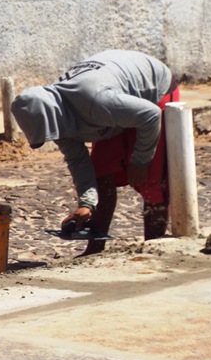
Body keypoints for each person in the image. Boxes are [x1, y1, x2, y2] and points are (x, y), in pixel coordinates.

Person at [11, 49, 179, 255]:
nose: (54, 138)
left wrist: (141, 161)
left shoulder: (96, 101)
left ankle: (153, 249)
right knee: (102, 174)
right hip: (117, 105)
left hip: (154, 95)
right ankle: (95, 249)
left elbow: (150, 116)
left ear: (52, 116)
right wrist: (86, 204)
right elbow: (78, 161)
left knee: (153, 182)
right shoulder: (56, 115)